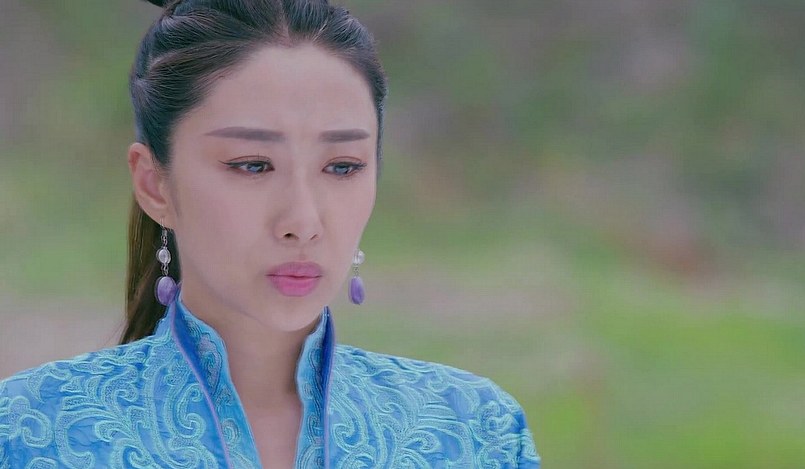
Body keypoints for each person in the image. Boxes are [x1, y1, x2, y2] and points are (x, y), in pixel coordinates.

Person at [0, 0, 541, 467]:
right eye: (253, 165)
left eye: (343, 166)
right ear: (154, 184)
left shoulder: (473, 431)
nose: (303, 222)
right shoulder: (29, 433)